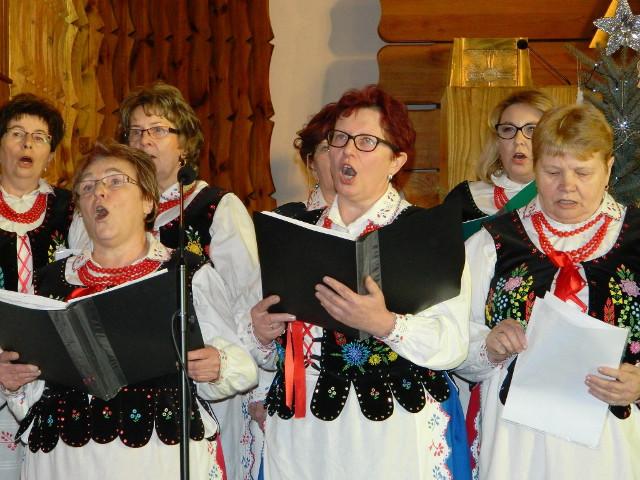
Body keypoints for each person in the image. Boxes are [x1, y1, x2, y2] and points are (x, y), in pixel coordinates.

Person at [249, 85, 472, 479]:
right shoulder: (292, 232)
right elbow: (269, 357)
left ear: (396, 160)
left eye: (366, 141)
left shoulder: (426, 234)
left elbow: (452, 345)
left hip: (392, 434)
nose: (347, 152)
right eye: (340, 138)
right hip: (305, 436)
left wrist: (386, 324)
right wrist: (263, 335)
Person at [0, 139, 258, 479]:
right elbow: (31, 388)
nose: (99, 192)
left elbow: (243, 364)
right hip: (64, 459)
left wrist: (217, 364)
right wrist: (13, 380)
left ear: (148, 201)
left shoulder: (185, 272)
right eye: (87, 187)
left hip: (160, 456)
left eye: (115, 181)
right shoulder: (49, 283)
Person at [69, 82, 261, 479]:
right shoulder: (93, 211)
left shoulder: (215, 208)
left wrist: (245, 377)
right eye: (135, 131)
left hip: (199, 380)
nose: (145, 140)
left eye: (158, 129)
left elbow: (248, 304)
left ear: (184, 144)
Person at [457, 103, 640, 478]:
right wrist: (488, 345)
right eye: (552, 171)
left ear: (607, 169)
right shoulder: (492, 243)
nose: (567, 185)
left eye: (583, 172)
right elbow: (453, 338)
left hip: (613, 440)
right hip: (516, 441)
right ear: (535, 167)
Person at [0, 93, 72, 479]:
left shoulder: (72, 210)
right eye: (16, 133)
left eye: (39, 137)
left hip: (53, 372)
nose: (27, 144)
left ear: (51, 154)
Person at [444, 90, 554, 238]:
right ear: (497, 142)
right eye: (508, 129)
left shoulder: (568, 197)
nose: (518, 140)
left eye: (532, 129)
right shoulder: (464, 198)